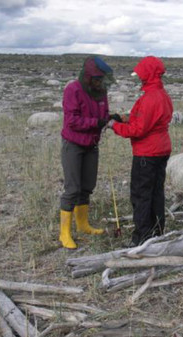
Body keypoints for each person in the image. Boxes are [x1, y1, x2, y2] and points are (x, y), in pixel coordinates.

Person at [108, 56, 173, 246]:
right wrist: (122, 118)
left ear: (147, 74)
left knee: (141, 196)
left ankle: (142, 238)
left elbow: (138, 129)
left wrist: (114, 125)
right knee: (155, 193)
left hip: (147, 153)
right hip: (161, 150)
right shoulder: (161, 94)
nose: (138, 77)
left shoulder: (150, 98)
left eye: (140, 73)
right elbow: (143, 120)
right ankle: (156, 233)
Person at [59, 56, 121, 249]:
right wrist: (97, 123)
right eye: (97, 79)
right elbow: (72, 121)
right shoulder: (73, 90)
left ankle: (83, 225)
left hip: (91, 145)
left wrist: (110, 118)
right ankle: (64, 233)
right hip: (74, 144)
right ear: (88, 77)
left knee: (87, 186)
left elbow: (102, 114)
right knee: (72, 188)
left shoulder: (101, 92)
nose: (100, 83)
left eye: (102, 80)